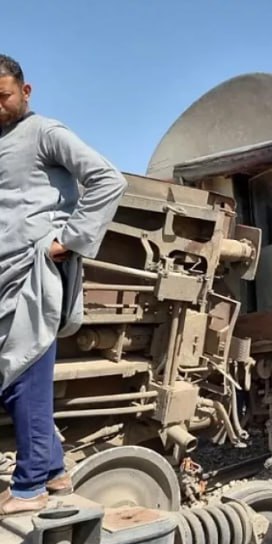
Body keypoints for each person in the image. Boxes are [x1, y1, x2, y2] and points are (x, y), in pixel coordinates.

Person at [0, 55, 127, 515]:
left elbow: (107, 180)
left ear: (26, 91)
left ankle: (29, 485)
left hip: (32, 276)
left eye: (4, 96)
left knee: (23, 377)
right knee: (14, 378)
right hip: (5, 278)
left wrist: (67, 241)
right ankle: (54, 470)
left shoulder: (45, 132)